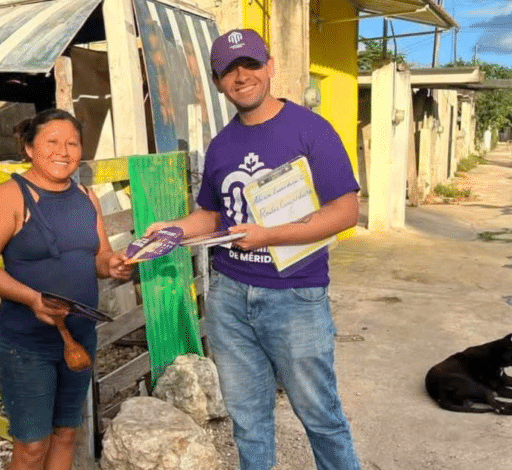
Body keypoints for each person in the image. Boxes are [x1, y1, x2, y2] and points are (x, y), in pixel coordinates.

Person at [145, 29, 362, 470]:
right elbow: (212, 215)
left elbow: (345, 212)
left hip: (296, 297)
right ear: (218, 80)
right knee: (248, 419)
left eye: (249, 64)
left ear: (270, 66)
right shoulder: (222, 144)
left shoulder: (311, 130)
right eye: (228, 69)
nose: (241, 76)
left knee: (320, 416)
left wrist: (269, 235)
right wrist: (173, 229)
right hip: (229, 298)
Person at [0, 109, 133, 470]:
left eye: (72, 143)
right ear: (29, 148)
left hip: (79, 339)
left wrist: (114, 264)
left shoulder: (86, 197)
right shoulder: (9, 196)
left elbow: (98, 258)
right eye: (52, 142)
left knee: (66, 435)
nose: (64, 150)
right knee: (31, 446)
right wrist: (31, 298)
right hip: (26, 345)